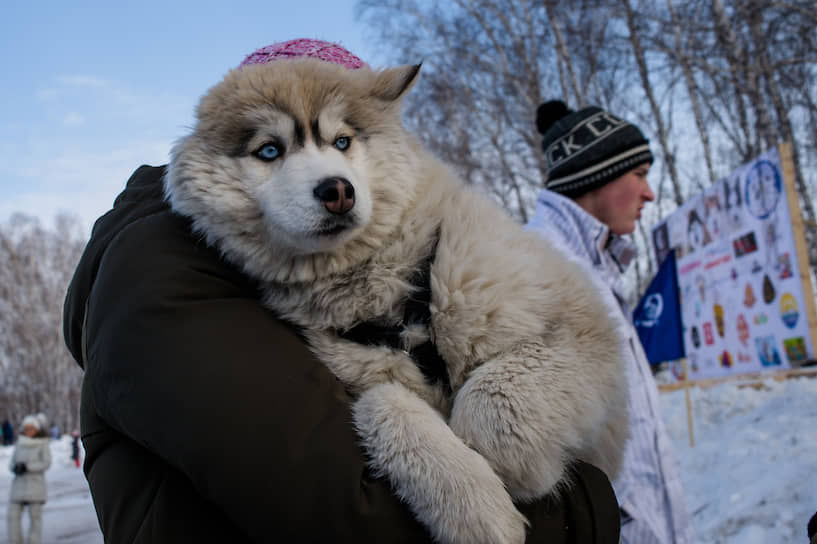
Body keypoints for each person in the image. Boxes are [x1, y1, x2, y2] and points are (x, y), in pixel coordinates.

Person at [61, 41, 624, 544]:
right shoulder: (171, 273)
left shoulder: (448, 242)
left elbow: (581, 332)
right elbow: (331, 483)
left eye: (341, 140)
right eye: (270, 149)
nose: (331, 182)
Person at [526, 100, 694, 544]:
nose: (649, 193)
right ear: (594, 176)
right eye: (638, 175)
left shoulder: (597, 270)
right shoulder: (541, 272)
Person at [7, 414, 52, 544]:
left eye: (31, 428)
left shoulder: (42, 444)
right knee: (13, 516)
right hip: (19, 487)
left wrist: (28, 467)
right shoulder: (19, 443)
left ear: (36, 430)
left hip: (35, 487)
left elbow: (46, 463)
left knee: (35, 518)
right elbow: (11, 463)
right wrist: (16, 467)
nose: (28, 431)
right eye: (26, 428)